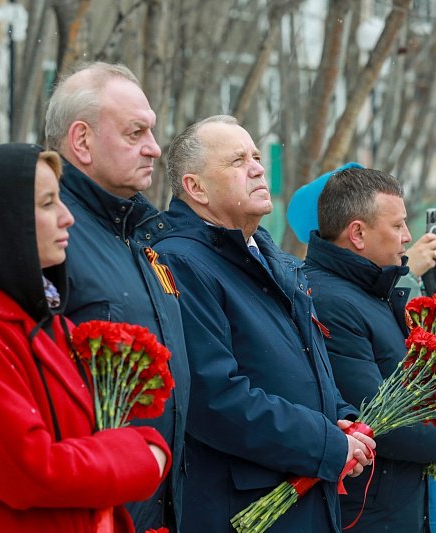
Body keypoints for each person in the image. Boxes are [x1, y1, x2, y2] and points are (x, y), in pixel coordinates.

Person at [0, 143, 170, 532]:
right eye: (48, 204)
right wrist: (141, 455)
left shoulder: (45, 321)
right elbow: (32, 472)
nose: (68, 218)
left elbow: (83, 440)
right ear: (3, 223)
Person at [153, 115, 376, 532]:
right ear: (196, 188)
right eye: (237, 161)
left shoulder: (268, 256)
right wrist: (325, 442)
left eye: (256, 156)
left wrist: (338, 418)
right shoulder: (181, 262)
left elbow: (304, 363)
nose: (257, 168)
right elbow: (213, 398)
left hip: (302, 496)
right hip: (241, 508)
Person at [44, 62, 190, 531]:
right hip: (87, 512)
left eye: (152, 130)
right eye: (135, 132)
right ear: (82, 141)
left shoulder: (141, 234)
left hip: (155, 508)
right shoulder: (51, 237)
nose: (154, 147)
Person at [302, 166, 436, 532]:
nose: (407, 237)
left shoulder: (371, 291)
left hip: (392, 504)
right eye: (397, 226)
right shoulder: (333, 302)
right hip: (367, 512)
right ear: (357, 234)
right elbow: (376, 419)